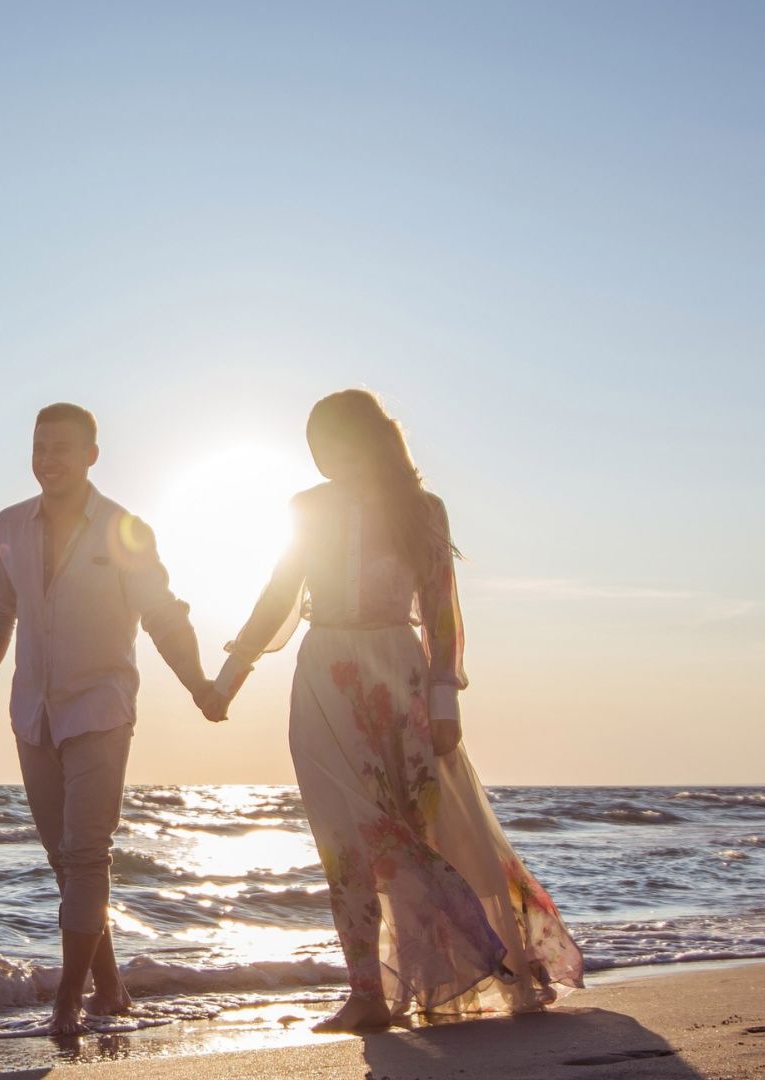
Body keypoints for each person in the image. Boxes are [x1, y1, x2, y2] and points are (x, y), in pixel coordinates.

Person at [206, 389, 584, 1031]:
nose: (321, 453)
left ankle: (488, 962)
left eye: (332, 439)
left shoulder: (420, 509)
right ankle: (366, 994)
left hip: (399, 680)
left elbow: (441, 610)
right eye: (313, 442)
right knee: (341, 837)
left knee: (422, 829)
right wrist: (228, 678)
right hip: (324, 679)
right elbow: (277, 597)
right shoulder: (306, 508)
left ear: (370, 439)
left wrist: (444, 699)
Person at [0, 402, 214, 1036]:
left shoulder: (126, 530)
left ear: (92, 455)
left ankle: (68, 1003)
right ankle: (112, 987)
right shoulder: (9, 525)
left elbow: (163, 615)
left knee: (86, 856)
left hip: (99, 709)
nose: (48, 460)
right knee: (63, 859)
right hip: (32, 713)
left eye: (62, 448)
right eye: (39, 447)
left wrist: (201, 686)